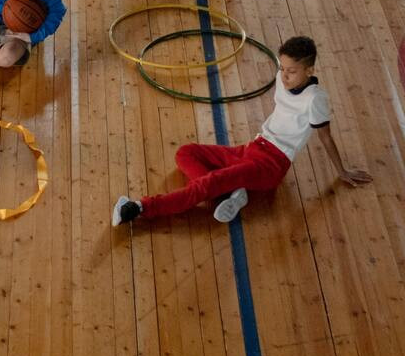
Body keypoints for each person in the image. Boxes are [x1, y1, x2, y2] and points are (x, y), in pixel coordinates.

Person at [112, 36, 370, 226]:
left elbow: (325, 136)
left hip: (271, 164)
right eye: (282, 68)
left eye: (291, 71)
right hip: (253, 148)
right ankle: (230, 194)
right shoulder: (283, 79)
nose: (284, 76)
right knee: (185, 153)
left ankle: (139, 208)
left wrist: (342, 171)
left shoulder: (315, 99)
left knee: (208, 183)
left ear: (309, 70)